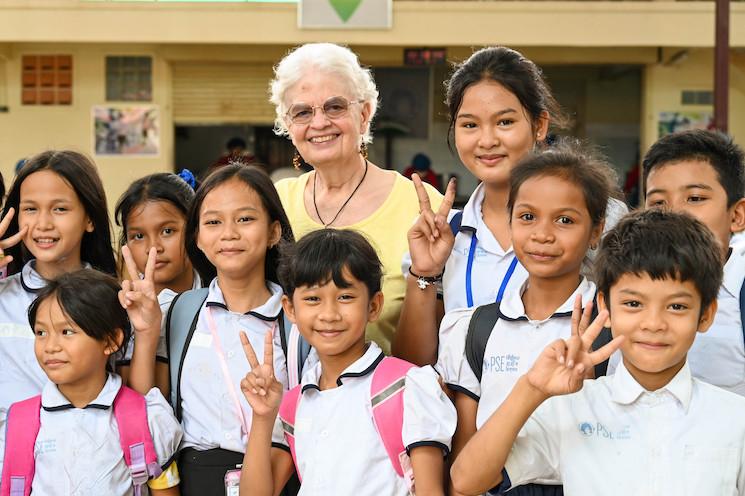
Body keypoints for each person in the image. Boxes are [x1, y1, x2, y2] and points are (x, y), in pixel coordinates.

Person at [450, 209, 745, 495]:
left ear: (705, 314)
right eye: (633, 304)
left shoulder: (735, 419)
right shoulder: (574, 410)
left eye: (676, 306)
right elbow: (467, 479)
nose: (654, 324)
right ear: (605, 306)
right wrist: (531, 389)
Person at [394, 47, 627, 366]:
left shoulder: (603, 219)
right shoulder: (445, 234)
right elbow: (414, 364)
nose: (486, 140)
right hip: (464, 414)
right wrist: (424, 274)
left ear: (540, 125)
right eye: (470, 125)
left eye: (504, 122)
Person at [437, 142, 616, 495]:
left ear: (596, 231)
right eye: (527, 216)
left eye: (565, 220)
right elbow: (463, 478)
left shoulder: (613, 328)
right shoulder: (476, 328)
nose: (542, 234)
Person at [237, 229, 456, 495]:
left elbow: (430, 491)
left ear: (374, 306)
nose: (329, 314)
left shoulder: (406, 386)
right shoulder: (295, 403)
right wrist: (262, 417)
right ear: (290, 309)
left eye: (345, 297)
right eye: (313, 299)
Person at [125, 164, 295, 495]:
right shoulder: (180, 311)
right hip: (193, 481)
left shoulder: (297, 317)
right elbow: (148, 403)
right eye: (213, 222)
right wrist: (146, 333)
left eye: (245, 219)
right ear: (198, 238)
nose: (229, 233)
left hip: (275, 478)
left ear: (274, 231)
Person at [271, 42, 444, 355]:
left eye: (335, 107)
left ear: (364, 114)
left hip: (389, 397)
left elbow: (443, 339)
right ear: (288, 125)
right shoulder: (274, 204)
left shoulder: (419, 205)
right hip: (287, 400)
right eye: (302, 112)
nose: (319, 122)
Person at [0, 270, 182, 495]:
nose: (50, 346)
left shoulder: (147, 419)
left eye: (66, 331)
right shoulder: (18, 424)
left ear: (111, 341)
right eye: (41, 332)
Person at [0, 150, 116, 472]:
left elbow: (133, 393)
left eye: (60, 209)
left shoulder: (115, 300)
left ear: (89, 218)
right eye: (30, 209)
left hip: (93, 474)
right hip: (11, 476)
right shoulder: (2, 297)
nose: (43, 224)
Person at [640, 129, 745, 395]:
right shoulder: (621, 293)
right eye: (658, 202)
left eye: (695, 198)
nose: (674, 214)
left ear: (737, 215)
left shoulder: (738, 300)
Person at [114, 171, 201, 395]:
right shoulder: (122, 307)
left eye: (167, 231)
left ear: (195, 229)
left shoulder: (217, 295)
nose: (154, 248)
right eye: (138, 236)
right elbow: (135, 400)